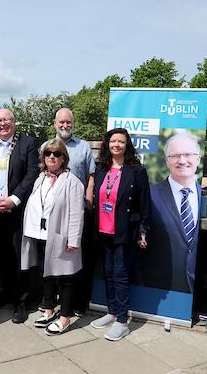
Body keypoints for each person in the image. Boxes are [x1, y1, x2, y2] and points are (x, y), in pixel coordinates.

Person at [0, 108, 39, 324]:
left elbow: (32, 174)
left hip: (17, 211)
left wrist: (14, 199)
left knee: (17, 255)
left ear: (14, 122)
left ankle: (20, 300)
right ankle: (5, 292)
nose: (3, 124)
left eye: (6, 120)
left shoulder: (28, 144)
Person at [89, 128, 150, 341]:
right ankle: (112, 311)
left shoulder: (136, 171)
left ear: (127, 145)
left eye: (121, 142)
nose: (116, 145)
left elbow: (145, 204)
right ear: (108, 144)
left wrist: (143, 230)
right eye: (113, 141)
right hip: (103, 230)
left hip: (125, 232)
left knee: (121, 275)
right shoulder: (101, 168)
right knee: (108, 272)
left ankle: (122, 321)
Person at [21, 139, 85, 335]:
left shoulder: (72, 182)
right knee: (46, 274)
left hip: (61, 237)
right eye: (48, 153)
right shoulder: (41, 178)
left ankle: (64, 317)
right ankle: (48, 309)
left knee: (65, 277)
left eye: (56, 154)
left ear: (63, 158)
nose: (51, 157)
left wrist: (73, 240)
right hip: (40, 235)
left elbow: (76, 213)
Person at [42, 108, 96, 316]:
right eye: (61, 122)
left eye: (68, 122)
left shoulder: (83, 147)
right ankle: (51, 303)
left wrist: (88, 203)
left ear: (73, 123)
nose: (65, 126)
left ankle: (77, 303)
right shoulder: (47, 146)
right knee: (53, 257)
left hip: (77, 211)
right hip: (53, 215)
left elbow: (91, 177)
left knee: (75, 258)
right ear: (55, 123)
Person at [135, 133, 202, 293]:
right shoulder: (150, 194)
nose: (182, 160)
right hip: (158, 287)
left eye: (188, 154)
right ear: (167, 161)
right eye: (175, 155)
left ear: (198, 159)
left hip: (194, 289)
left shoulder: (204, 195)